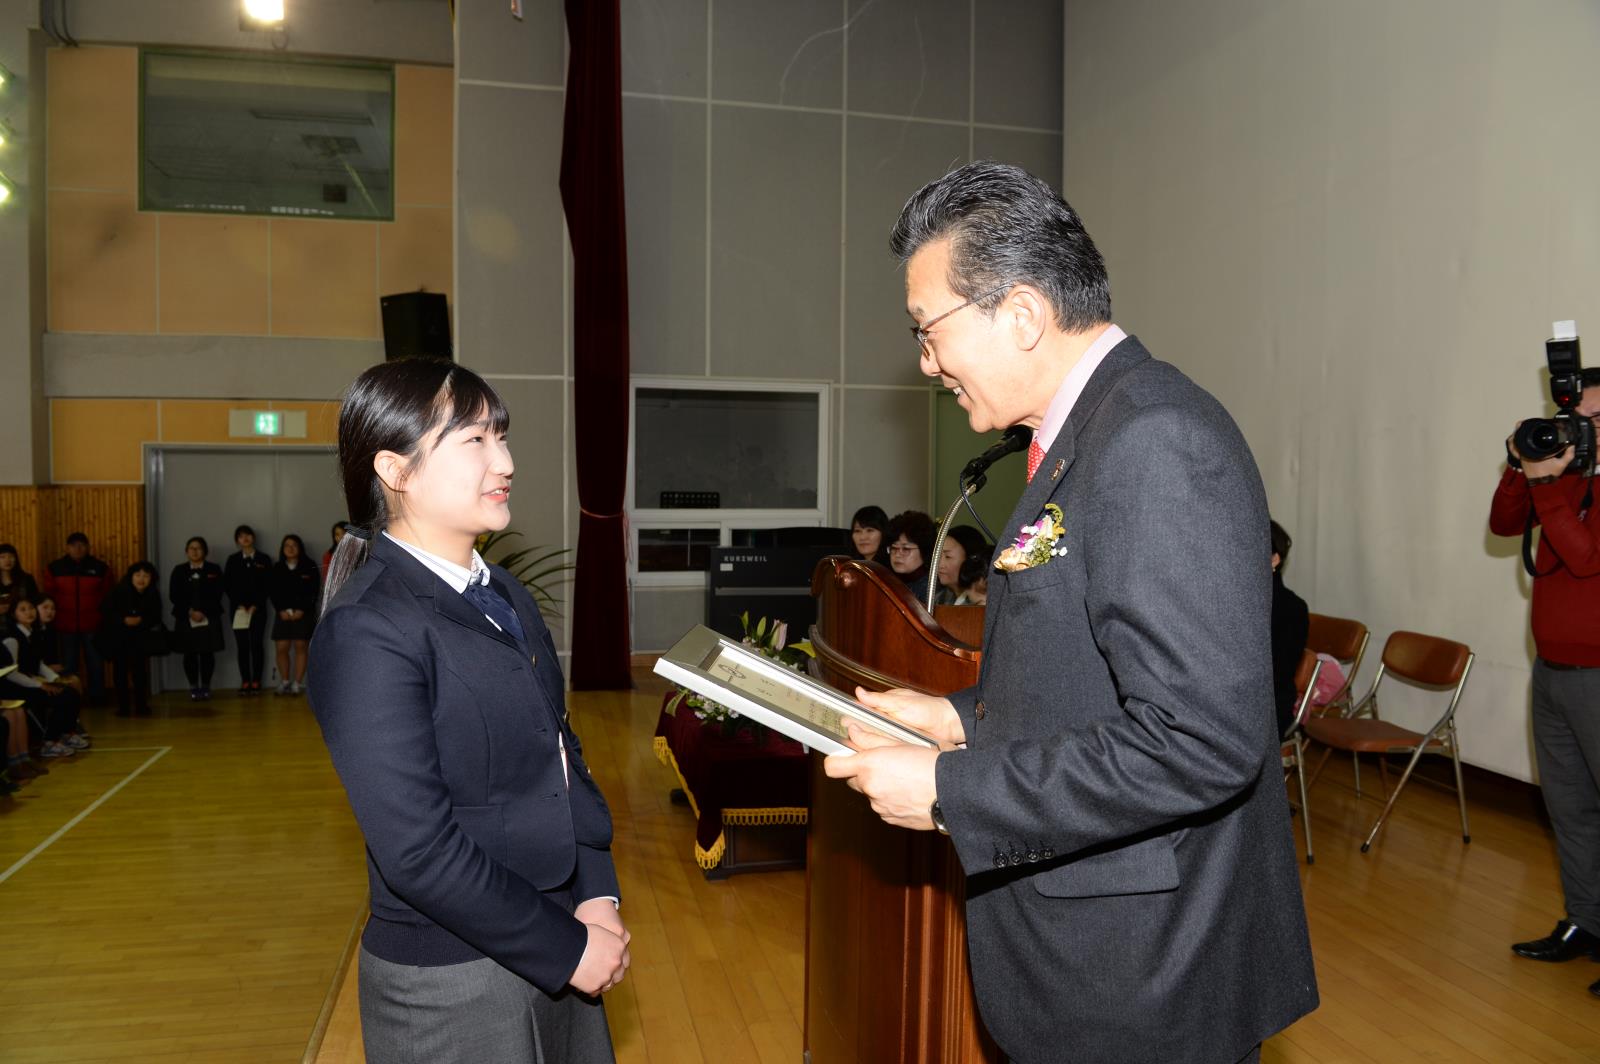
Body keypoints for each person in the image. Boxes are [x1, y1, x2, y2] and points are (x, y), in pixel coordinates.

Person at [823, 162, 1317, 1064]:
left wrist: (947, 792)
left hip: (1143, 975)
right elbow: (1087, 669)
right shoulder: (1081, 437)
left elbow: (1201, 737)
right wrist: (958, 717)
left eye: (928, 331)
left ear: (1019, 314)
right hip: (1092, 956)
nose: (927, 363)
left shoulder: (1153, 439)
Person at [308, 358, 628, 1063]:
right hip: (452, 985)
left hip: (559, 940)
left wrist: (596, 895)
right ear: (395, 470)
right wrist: (565, 947)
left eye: (501, 437)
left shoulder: (505, 592)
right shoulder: (366, 628)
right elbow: (418, 851)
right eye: (475, 441)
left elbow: (561, 758)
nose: (505, 460)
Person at [1491, 394, 1600, 1000]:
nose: (1580, 430)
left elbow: (1584, 559)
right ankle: (1587, 921)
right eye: (1575, 419)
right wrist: (1519, 468)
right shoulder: (1568, 479)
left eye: (1594, 421)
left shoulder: (1571, 487)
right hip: (1553, 672)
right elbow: (1505, 525)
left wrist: (1547, 484)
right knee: (1571, 811)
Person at [3, 597, 89, 758]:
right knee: (62, 697)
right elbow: (12, 673)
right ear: (14, 615)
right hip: (16, 687)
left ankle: (66, 733)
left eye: (30, 608)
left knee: (71, 691)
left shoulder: (32, 634)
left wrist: (56, 679)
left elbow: (39, 663)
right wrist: (40, 685)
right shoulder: (12, 638)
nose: (29, 612)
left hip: (32, 682)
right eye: (23, 609)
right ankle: (49, 741)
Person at [42, 532, 114, 704]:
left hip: (93, 624)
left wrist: (102, 618)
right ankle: (70, 699)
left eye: (82, 544)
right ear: (67, 547)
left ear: (88, 547)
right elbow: (49, 595)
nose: (78, 548)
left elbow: (108, 595)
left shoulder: (101, 567)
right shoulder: (54, 567)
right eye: (73, 545)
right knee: (68, 665)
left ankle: (98, 698)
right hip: (65, 624)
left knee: (96, 664)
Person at [99, 562, 165, 718]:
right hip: (119, 637)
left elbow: (156, 616)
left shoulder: (152, 593)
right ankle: (123, 707)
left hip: (140, 638)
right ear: (131, 576)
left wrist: (141, 620)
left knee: (140, 673)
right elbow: (106, 610)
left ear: (151, 578)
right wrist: (123, 620)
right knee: (120, 672)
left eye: (146, 576)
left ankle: (142, 706)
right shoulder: (118, 590)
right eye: (138, 575)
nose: (141, 579)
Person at [169, 537, 225, 701]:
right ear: (186, 552)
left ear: (205, 551)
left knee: (207, 652)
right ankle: (193, 686)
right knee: (189, 653)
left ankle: (206, 686)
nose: (195, 551)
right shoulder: (178, 570)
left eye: (199, 548)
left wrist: (203, 611)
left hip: (209, 616)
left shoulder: (214, 569)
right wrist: (190, 611)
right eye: (191, 548)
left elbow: (218, 593)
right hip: (185, 617)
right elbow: (174, 595)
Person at [1270, 520, 1310, 738]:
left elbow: (1276, 674)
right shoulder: (1229, 599)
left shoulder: (1292, 609)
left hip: (1267, 708)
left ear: (1274, 559)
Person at [225, 525, 273, 696]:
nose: (245, 539)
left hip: (258, 610)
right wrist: (239, 604)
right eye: (241, 536)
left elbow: (268, 585)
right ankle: (245, 681)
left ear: (253, 538)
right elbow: (228, 586)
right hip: (238, 610)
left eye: (248, 535)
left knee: (257, 645)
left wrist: (256, 604)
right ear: (237, 540)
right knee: (242, 646)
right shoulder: (232, 560)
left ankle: (257, 681)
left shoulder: (264, 559)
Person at [270, 534, 319, 695]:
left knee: (300, 646)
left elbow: (313, 591)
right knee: (282, 647)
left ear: (300, 548)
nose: (290, 548)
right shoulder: (277, 567)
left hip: (303, 614)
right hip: (282, 614)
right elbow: (273, 593)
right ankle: (284, 681)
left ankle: (297, 683)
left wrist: (301, 610)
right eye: (287, 546)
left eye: (294, 545)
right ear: (282, 549)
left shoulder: (309, 566)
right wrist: (281, 610)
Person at [884, 510, 936, 605]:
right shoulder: (887, 581)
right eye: (894, 548)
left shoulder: (932, 589)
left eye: (906, 548)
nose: (898, 554)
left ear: (924, 550)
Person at [933, 525, 989, 606]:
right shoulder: (937, 599)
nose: (939, 564)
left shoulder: (982, 601)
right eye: (938, 556)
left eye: (948, 557)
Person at [0, 543, 40, 613]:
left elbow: (36, 601)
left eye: (11, 556)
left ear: (16, 559)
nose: (7, 560)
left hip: (22, 620)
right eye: (2, 557)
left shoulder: (27, 579)